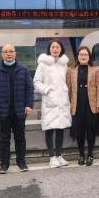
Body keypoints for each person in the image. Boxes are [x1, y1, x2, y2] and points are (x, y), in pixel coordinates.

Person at [0, 44, 34, 174]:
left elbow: (29, 89)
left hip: (19, 110)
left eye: (11, 51)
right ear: (2, 55)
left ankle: (21, 162)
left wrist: (29, 105)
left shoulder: (23, 70)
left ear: (15, 53)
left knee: (20, 137)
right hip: (2, 112)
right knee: (4, 139)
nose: (9, 54)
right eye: (6, 52)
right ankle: (4, 164)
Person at [33, 39, 72, 168]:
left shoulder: (64, 64)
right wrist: (46, 90)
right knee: (49, 129)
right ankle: (52, 157)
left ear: (61, 49)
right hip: (49, 101)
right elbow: (36, 82)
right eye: (53, 47)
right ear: (49, 49)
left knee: (60, 128)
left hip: (62, 101)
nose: (55, 49)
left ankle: (59, 155)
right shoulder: (43, 64)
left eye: (57, 47)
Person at [66, 46, 99, 166]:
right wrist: (69, 103)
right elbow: (68, 88)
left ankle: (90, 155)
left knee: (91, 130)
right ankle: (81, 155)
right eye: (81, 54)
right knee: (79, 131)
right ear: (77, 56)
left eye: (86, 55)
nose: (83, 57)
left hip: (91, 104)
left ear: (89, 56)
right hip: (77, 104)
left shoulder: (95, 69)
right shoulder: (71, 70)